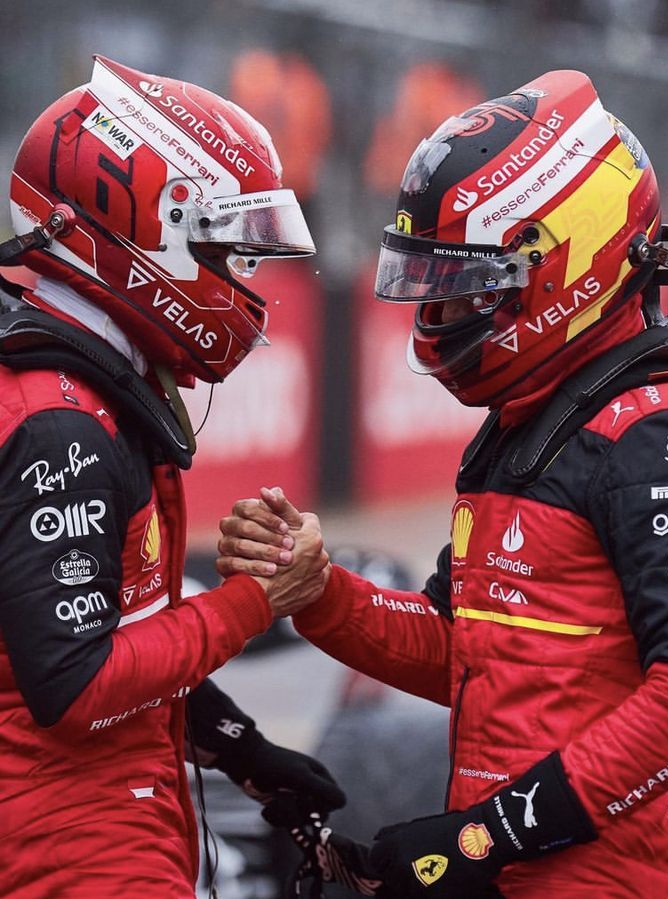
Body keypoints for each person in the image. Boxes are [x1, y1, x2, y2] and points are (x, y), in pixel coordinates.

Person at [217, 69, 668, 898]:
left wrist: (484, 835)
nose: (443, 315)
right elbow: (469, 654)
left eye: (468, 288)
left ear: (562, 265)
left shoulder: (655, 433)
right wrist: (316, 592)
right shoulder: (527, 420)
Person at [0, 56, 343, 899]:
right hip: (70, 844)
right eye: (223, 250)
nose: (239, 283)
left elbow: (116, 635)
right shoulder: (59, 422)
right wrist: (255, 602)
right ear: (150, 230)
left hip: (96, 819)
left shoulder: (90, 383)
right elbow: (76, 684)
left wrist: (234, 743)